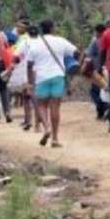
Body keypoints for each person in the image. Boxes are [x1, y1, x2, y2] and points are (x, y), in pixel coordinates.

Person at [26, 19, 77, 148]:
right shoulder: (61, 41)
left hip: (41, 77)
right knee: (55, 107)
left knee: (41, 105)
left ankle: (47, 128)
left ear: (41, 30)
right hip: (58, 76)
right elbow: (77, 53)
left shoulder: (35, 44)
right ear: (53, 28)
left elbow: (29, 65)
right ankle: (55, 138)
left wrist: (30, 83)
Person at [84, 24, 108, 120]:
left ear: (98, 32)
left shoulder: (95, 41)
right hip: (108, 69)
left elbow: (88, 56)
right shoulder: (108, 38)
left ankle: (101, 112)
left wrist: (86, 67)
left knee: (95, 91)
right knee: (106, 90)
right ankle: (106, 109)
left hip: (98, 70)